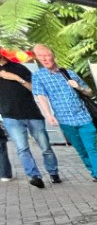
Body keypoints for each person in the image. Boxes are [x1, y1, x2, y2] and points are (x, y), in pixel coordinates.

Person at [31, 44, 97, 184]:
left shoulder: (69, 73)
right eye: (40, 56)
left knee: (91, 147)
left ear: (53, 55)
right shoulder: (38, 76)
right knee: (81, 149)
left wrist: (78, 87)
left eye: (47, 55)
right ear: (37, 58)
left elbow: (89, 91)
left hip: (83, 117)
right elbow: (41, 97)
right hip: (65, 120)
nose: (44, 59)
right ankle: (94, 172)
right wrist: (48, 115)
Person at [0, 48, 60, 188]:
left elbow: (34, 89)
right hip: (10, 117)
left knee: (45, 147)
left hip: (32, 113)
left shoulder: (18, 68)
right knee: (22, 148)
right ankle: (34, 176)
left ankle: (53, 172)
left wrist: (16, 78)